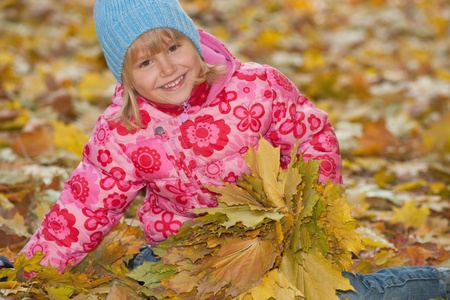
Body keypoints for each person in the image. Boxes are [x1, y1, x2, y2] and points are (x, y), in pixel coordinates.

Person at [1, 0, 448, 299]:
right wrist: (31, 274)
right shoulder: (123, 132)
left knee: (338, 294)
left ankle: (433, 284)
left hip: (277, 238)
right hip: (187, 250)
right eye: (146, 62)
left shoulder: (256, 87)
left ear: (192, 40)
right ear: (126, 76)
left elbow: (311, 139)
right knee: (144, 284)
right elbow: (83, 207)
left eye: (173, 47)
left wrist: (312, 217)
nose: (168, 68)